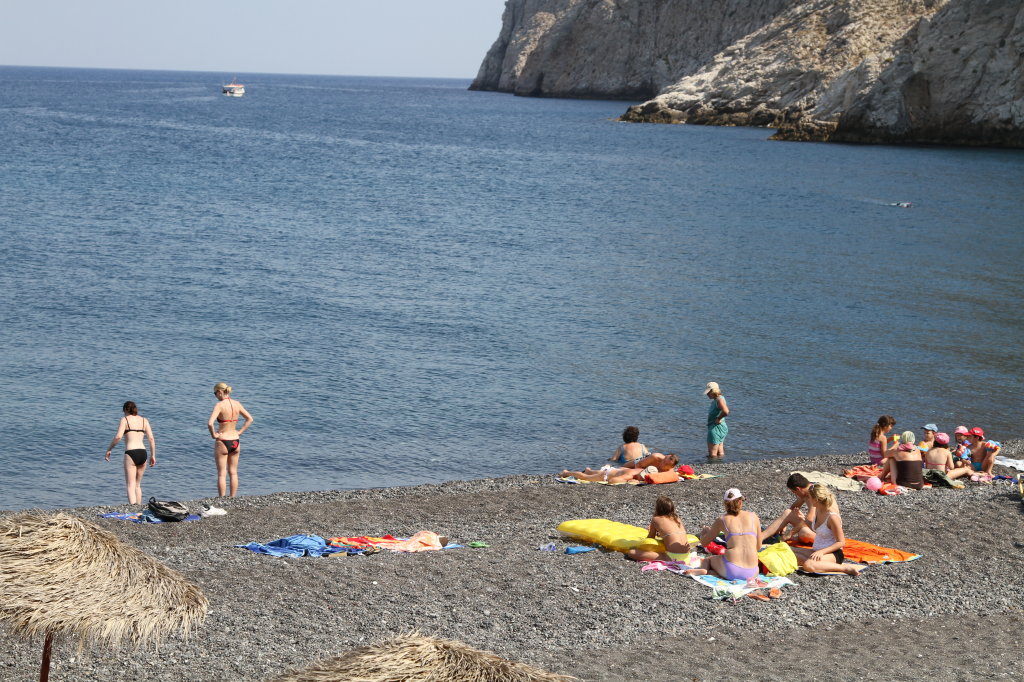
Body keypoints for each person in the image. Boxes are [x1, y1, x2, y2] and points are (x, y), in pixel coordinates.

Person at [686, 488, 763, 581]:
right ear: (740, 502)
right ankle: (716, 573)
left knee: (709, 559)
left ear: (725, 504)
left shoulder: (722, 520)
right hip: (752, 572)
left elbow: (704, 543)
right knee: (725, 564)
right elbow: (758, 546)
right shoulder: (754, 517)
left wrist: (704, 533)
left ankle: (704, 570)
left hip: (732, 570)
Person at [791, 484, 865, 576]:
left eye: (810, 497)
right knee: (790, 551)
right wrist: (803, 518)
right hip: (817, 550)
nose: (808, 500)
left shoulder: (832, 517)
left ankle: (845, 568)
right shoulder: (818, 510)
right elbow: (816, 528)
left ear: (816, 500)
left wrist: (822, 552)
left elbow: (841, 542)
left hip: (833, 553)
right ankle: (815, 563)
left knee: (808, 565)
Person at [104, 401, 156, 505]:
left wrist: (109, 449)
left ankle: (133, 508)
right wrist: (153, 455)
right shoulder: (144, 420)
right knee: (137, 485)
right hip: (143, 453)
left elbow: (118, 437)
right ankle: (139, 507)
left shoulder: (125, 420)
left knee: (130, 485)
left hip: (131, 452)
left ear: (125, 410)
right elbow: (151, 438)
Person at [207, 382, 254, 497]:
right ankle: (233, 497)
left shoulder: (219, 405)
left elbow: (210, 423)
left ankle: (222, 499)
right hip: (235, 441)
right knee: (233, 472)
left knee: (222, 474)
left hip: (223, 440)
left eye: (215, 393)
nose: (215, 396)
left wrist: (213, 435)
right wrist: (240, 432)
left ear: (220, 392)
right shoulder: (237, 404)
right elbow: (249, 419)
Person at [627, 495, 692, 562]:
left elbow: (650, 539)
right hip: (687, 556)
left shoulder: (656, 519)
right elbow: (670, 534)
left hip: (673, 557)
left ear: (657, 508)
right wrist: (659, 534)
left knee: (631, 552)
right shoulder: (677, 519)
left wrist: (651, 531)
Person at [761, 473, 816, 543]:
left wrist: (789, 534)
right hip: (815, 526)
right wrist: (783, 524)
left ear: (798, 489)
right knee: (787, 513)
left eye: (794, 492)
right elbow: (793, 508)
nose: (795, 494)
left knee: (804, 533)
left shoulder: (813, 494)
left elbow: (809, 518)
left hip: (823, 533)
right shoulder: (805, 492)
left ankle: (782, 539)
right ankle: (761, 537)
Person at [560, 454, 679, 484]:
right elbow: (612, 481)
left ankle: (589, 470)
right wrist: (631, 481)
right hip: (609, 475)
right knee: (585, 477)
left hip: (612, 471)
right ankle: (567, 473)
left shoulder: (641, 472)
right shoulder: (655, 458)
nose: (663, 464)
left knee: (593, 473)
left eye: (666, 464)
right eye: (664, 461)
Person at [704, 381, 729, 458]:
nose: (707, 394)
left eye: (709, 392)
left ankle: (712, 463)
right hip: (721, 428)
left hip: (715, 428)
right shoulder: (720, 398)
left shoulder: (719, 400)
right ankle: (721, 463)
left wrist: (718, 418)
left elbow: (726, 411)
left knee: (712, 453)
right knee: (720, 451)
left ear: (713, 391)